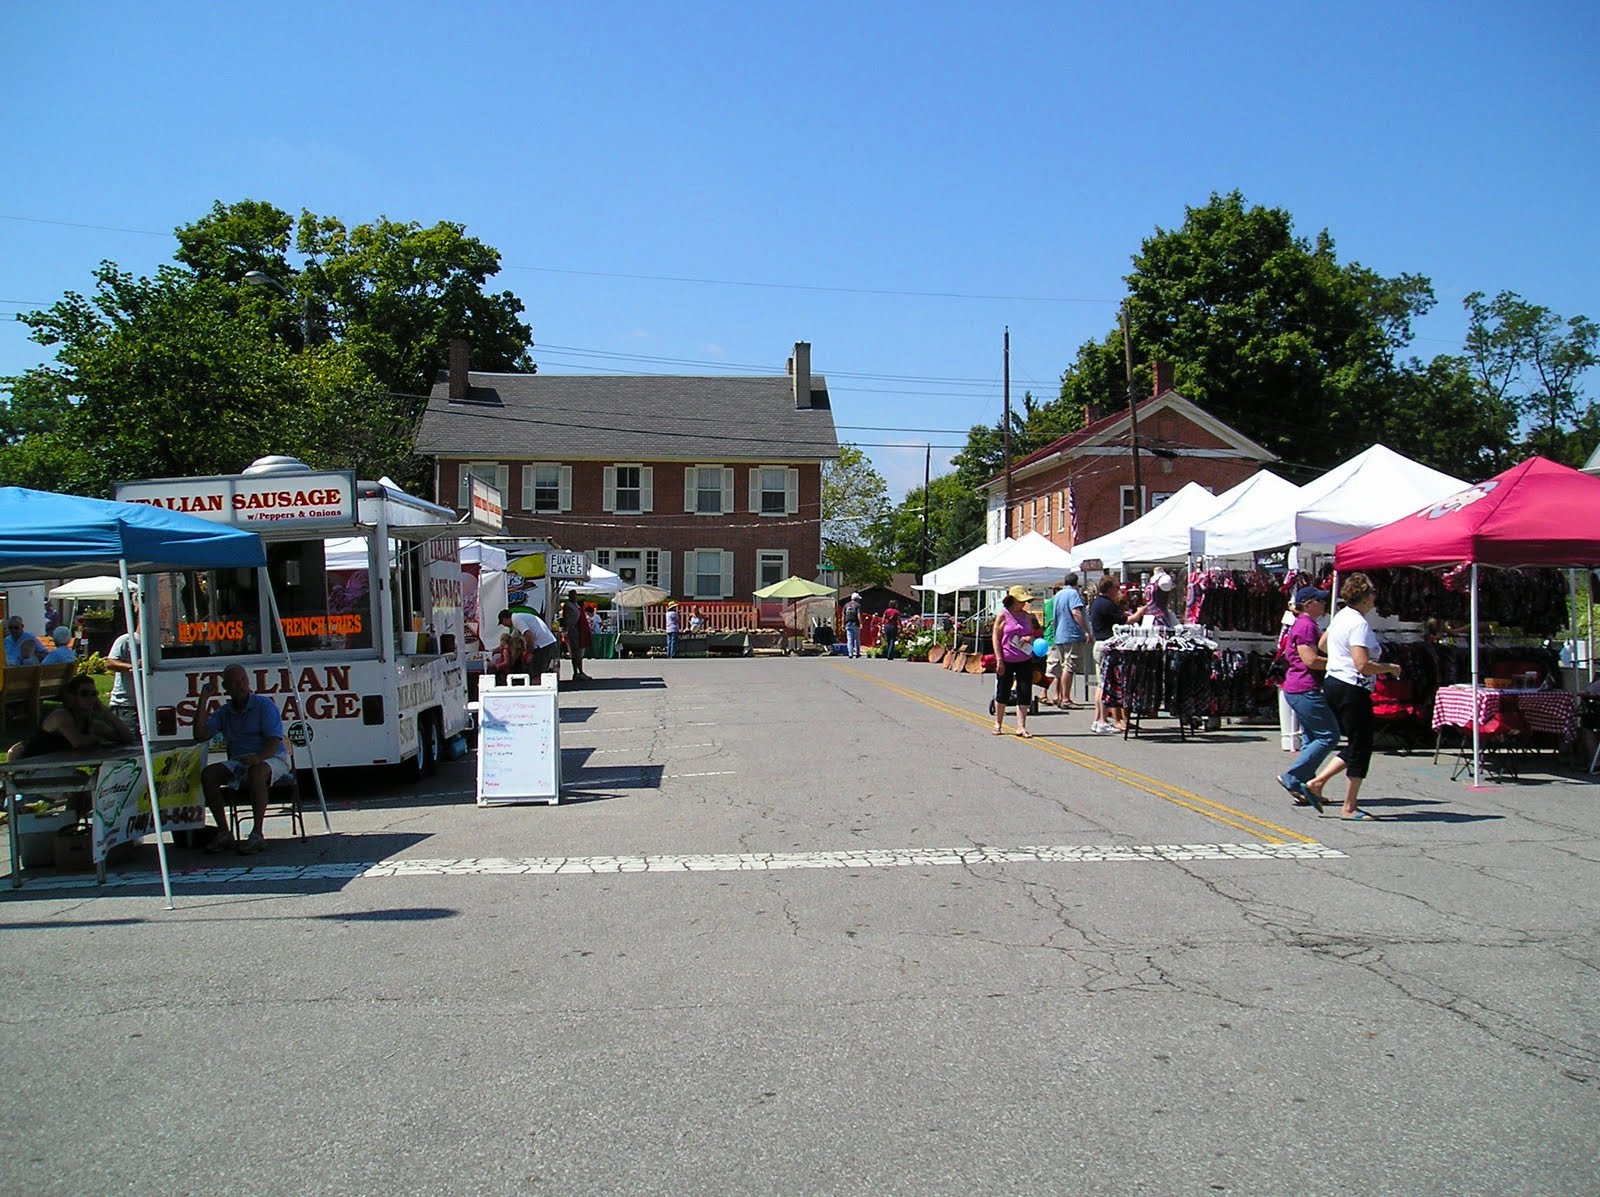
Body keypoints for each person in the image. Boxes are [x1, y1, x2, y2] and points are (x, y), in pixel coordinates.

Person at [1306, 572, 1401, 821]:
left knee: (1358, 743)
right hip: (1351, 686)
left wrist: (1340, 655)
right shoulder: (1358, 623)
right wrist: (1389, 668)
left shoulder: (1341, 617)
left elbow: (1324, 644)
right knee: (1362, 746)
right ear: (1366, 598)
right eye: (1372, 595)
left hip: (1334, 681)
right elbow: (1362, 665)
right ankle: (1349, 805)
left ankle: (1318, 782)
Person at [193, 664, 291, 855]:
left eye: (243, 681)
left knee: (257, 772)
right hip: (240, 761)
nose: (241, 686)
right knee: (209, 774)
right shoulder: (224, 712)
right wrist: (203, 699)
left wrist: (258, 757)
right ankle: (224, 832)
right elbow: (200, 734)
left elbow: (274, 741)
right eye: (235, 683)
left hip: (271, 758)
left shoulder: (264, 705)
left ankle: (257, 834)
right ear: (226, 687)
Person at [1275, 586, 1340, 813]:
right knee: (1329, 735)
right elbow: (1310, 660)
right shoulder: (1306, 625)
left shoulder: (1304, 624)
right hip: (1304, 687)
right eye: (1320, 601)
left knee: (1312, 738)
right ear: (1309, 603)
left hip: (1298, 687)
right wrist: (1340, 663)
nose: (1324, 605)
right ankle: (1293, 777)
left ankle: (1306, 787)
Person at [8, 674, 134, 762]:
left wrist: (105, 712)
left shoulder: (89, 723)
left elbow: (127, 738)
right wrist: (97, 739)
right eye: (84, 694)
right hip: (30, 768)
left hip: (56, 768)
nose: (90, 698)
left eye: (94, 694)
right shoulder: (61, 716)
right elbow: (78, 742)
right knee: (84, 784)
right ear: (72, 697)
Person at [1089, 577, 1145, 734]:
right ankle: (1101, 721)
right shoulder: (1106, 604)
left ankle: (1098, 720)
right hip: (1105, 645)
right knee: (1104, 685)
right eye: (1116, 587)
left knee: (1101, 684)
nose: (1118, 591)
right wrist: (1140, 613)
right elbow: (1126, 621)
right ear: (1109, 588)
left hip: (1100, 644)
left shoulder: (1098, 602)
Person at [991, 591, 1036, 738]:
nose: (1023, 604)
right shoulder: (1003, 615)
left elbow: (1033, 634)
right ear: (1012, 600)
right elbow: (996, 638)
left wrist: (1029, 637)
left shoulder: (1027, 616)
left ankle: (1021, 726)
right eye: (1020, 601)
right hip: (1007, 658)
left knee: (1024, 691)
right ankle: (998, 723)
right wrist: (999, 659)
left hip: (1024, 658)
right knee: (1003, 690)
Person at [1046, 571, 1088, 709]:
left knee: (1064, 665)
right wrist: (1086, 630)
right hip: (1071, 633)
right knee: (1069, 667)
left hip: (1060, 634)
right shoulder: (1073, 594)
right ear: (1076, 583)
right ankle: (1066, 698)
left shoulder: (1058, 595)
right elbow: (1076, 612)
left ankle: (1061, 696)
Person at [498, 608, 559, 682]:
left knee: (536, 673)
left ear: (505, 619)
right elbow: (512, 638)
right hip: (548, 642)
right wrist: (496, 649)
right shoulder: (519, 618)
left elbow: (528, 634)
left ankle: (536, 689)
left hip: (543, 644)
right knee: (539, 671)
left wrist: (528, 652)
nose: (505, 626)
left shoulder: (516, 619)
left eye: (503, 623)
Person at [104, 618, 141, 731]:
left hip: (147, 702)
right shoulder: (126, 640)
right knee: (132, 742)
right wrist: (132, 666)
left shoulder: (157, 643)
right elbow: (110, 663)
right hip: (125, 704)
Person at [560, 589, 592, 682]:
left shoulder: (577, 605)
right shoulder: (568, 605)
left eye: (575, 595)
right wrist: (567, 629)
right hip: (573, 630)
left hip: (580, 630)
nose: (574, 597)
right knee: (575, 652)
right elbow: (566, 618)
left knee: (580, 652)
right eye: (572, 595)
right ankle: (577, 672)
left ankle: (580, 672)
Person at [843, 592, 863, 659]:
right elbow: (858, 615)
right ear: (856, 599)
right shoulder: (857, 605)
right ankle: (857, 653)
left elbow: (843, 615)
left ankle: (850, 653)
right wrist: (860, 623)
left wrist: (843, 624)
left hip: (848, 624)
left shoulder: (846, 605)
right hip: (855, 623)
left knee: (849, 639)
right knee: (856, 639)